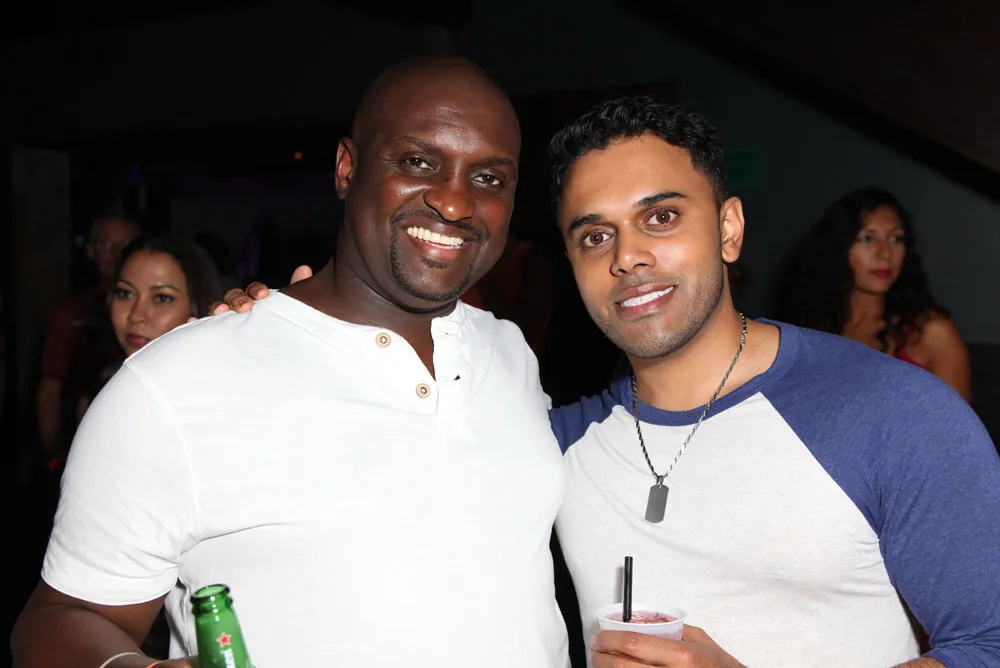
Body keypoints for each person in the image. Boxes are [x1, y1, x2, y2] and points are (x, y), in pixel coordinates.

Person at [230, 97, 1000, 668]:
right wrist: (283, 328)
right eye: (595, 235)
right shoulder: (550, 446)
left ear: (728, 229)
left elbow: (988, 643)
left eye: (660, 218)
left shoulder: (892, 412)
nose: (626, 257)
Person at [11, 57, 569, 668]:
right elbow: (61, 620)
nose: (456, 203)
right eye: (418, 163)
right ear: (347, 168)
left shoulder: (510, 353)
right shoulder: (174, 385)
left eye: (489, 178)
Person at [778, 188, 972, 401]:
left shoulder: (932, 332)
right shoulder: (808, 329)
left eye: (896, 239)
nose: (885, 253)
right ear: (839, 247)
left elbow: (958, 422)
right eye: (867, 239)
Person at [76, 234, 223, 422]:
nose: (137, 315)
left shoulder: (214, 404)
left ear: (197, 307)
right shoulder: (99, 396)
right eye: (125, 294)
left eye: (162, 298)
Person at [36, 215, 138, 470]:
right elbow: (50, 389)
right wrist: (53, 458)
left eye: (126, 245)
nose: (116, 253)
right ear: (91, 250)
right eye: (106, 244)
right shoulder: (72, 314)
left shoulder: (154, 315)